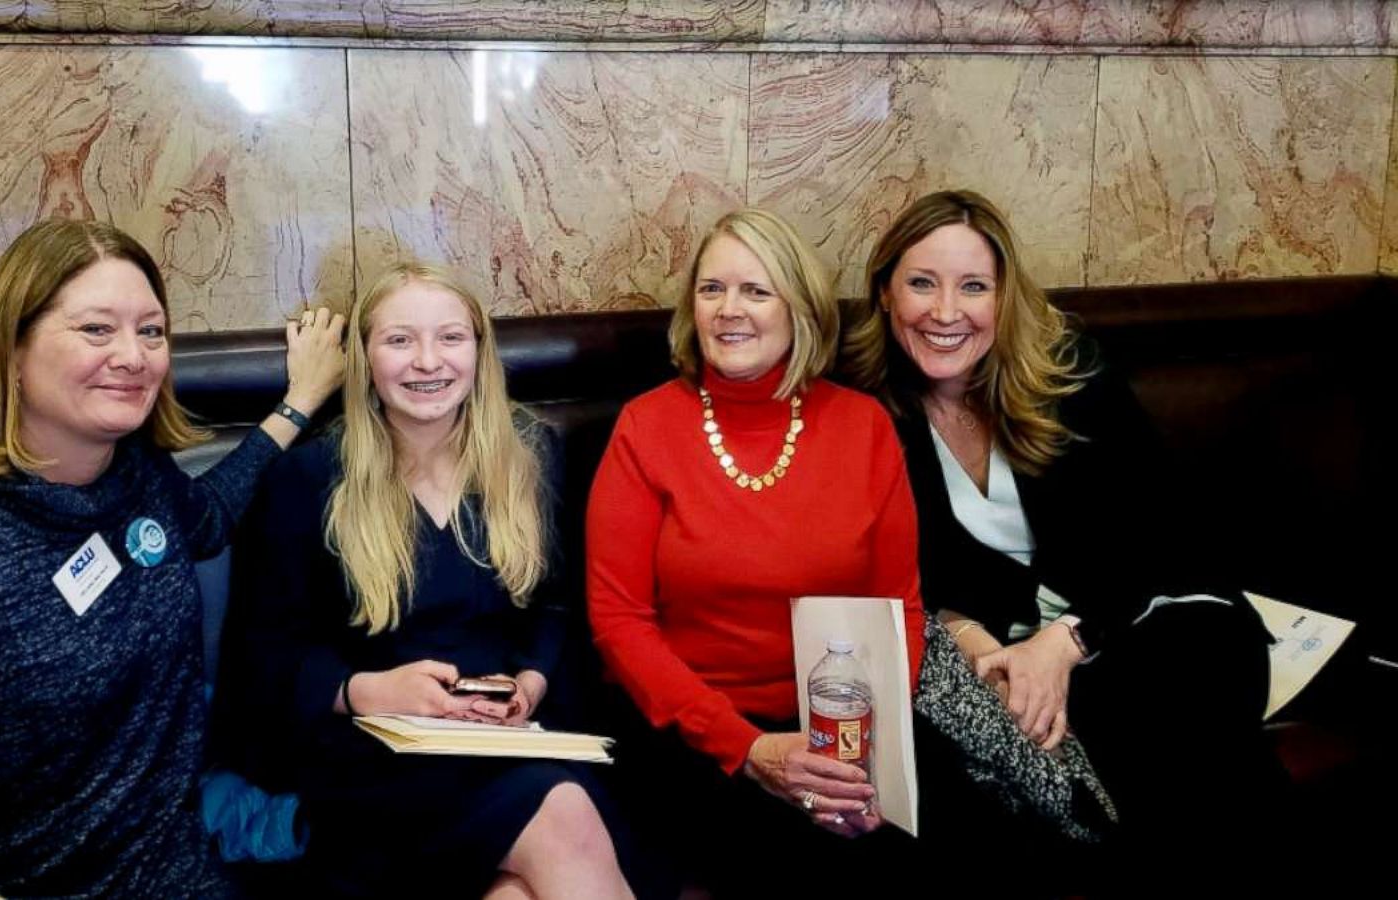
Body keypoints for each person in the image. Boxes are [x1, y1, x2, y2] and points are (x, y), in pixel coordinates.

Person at [0, 218, 345, 898]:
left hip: (155, 869)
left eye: (151, 331)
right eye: (96, 329)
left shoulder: (138, 474)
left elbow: (206, 521)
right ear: (14, 350)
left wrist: (298, 405)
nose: (133, 355)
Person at [835, 189, 1280, 880]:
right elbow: (883, 568)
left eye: (973, 287)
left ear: (1004, 299)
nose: (946, 312)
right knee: (1006, 732)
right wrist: (972, 638)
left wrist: (1065, 642)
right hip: (988, 658)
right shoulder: (861, 407)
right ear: (885, 294)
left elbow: (1157, 539)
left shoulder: (1070, 373)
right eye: (922, 283)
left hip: (1137, 626)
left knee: (1183, 685)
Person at [211, 263, 635, 899]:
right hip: (368, 759)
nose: (428, 362)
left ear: (480, 352)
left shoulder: (532, 456)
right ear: (366, 359)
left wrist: (531, 682)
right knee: (564, 816)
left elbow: (555, 608)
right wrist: (368, 691)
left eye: (451, 338)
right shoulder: (308, 480)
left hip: (509, 742)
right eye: (400, 340)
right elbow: (259, 661)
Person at [585, 209, 926, 896]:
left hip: (836, 730)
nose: (728, 310)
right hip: (688, 735)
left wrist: (864, 762)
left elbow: (902, 611)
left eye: (755, 291)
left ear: (798, 305)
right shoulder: (645, 427)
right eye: (711, 290)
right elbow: (617, 621)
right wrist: (748, 749)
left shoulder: (864, 428)